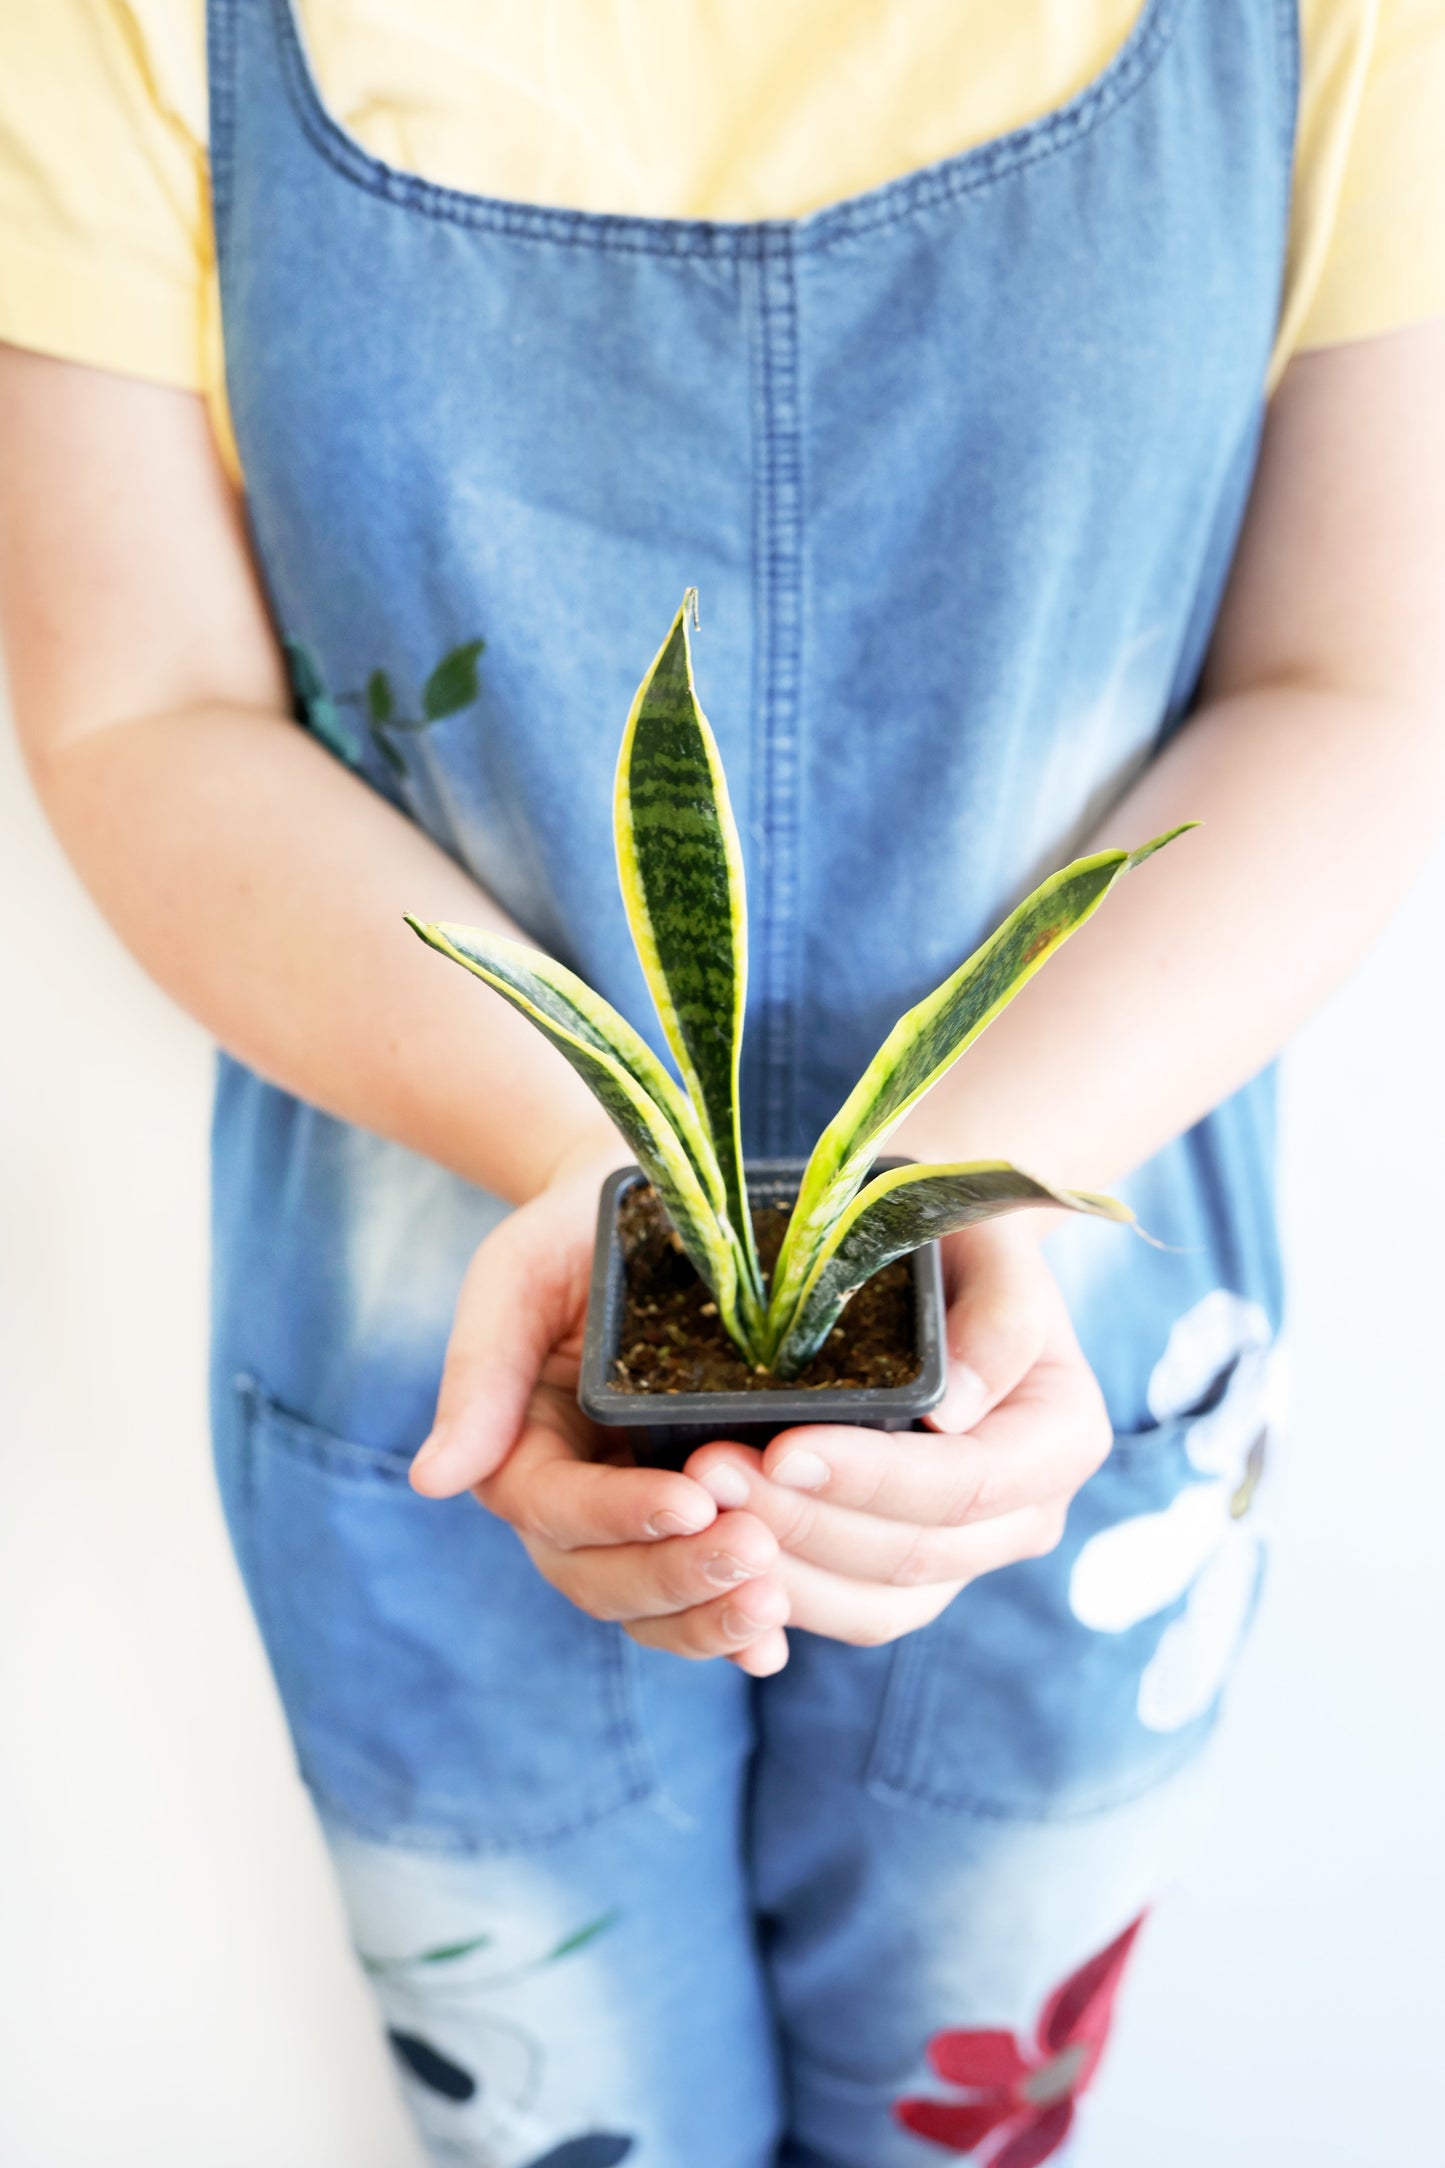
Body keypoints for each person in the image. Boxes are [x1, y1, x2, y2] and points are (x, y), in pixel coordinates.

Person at [2, 4, 1443, 2162]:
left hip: (1065, 1362)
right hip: (451, 1350)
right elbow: (137, 706)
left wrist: (985, 1181)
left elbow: (1358, 675)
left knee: (963, 2122)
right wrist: (574, 1163)